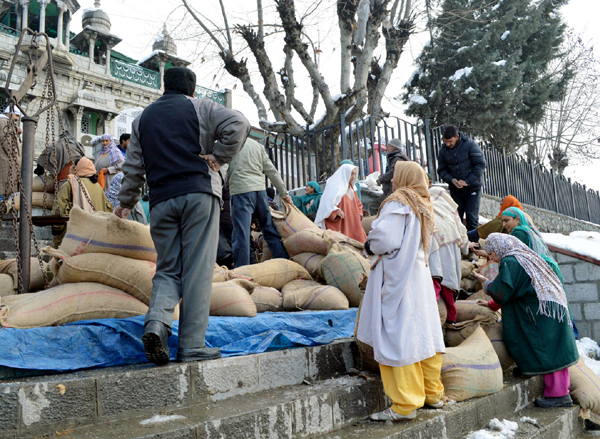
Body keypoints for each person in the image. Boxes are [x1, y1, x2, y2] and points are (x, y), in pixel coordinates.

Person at [116, 66, 250, 365]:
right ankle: (191, 345)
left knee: (167, 268)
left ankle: (156, 324)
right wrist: (218, 156)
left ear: (164, 86)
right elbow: (238, 123)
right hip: (198, 194)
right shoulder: (201, 106)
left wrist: (126, 202)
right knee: (197, 270)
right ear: (192, 89)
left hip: (162, 201)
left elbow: (133, 168)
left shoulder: (142, 120)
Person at [357, 161, 445, 421]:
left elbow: (385, 239)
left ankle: (405, 405)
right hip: (417, 275)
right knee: (424, 334)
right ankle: (432, 394)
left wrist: (370, 243)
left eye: (396, 176)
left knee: (398, 337)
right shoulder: (423, 203)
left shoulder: (399, 202)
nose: (393, 181)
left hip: (398, 276)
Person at [473, 233, 578, 408]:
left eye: (491, 252)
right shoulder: (524, 256)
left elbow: (503, 291)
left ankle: (558, 395)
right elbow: (515, 287)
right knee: (554, 349)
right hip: (548, 311)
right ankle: (549, 384)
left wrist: (486, 284)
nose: (490, 257)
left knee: (549, 352)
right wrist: (492, 304)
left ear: (500, 248)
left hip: (538, 314)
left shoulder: (511, 261)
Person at [226, 137, 292, 268]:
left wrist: (223, 185)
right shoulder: (256, 145)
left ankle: (242, 271)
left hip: (241, 191)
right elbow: (271, 170)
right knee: (268, 228)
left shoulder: (228, 142)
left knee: (241, 234)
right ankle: (285, 263)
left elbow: (222, 168)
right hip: (260, 192)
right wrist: (284, 193)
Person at [428, 186, 469, 323]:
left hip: (432, 253)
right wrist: (467, 249)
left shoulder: (425, 208)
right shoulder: (451, 212)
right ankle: (451, 322)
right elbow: (463, 237)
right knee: (449, 293)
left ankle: (431, 322)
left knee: (434, 286)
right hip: (449, 257)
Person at [52, 157, 113, 247]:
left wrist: (56, 230)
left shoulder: (70, 184)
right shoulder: (98, 187)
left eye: (73, 166)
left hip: (73, 236)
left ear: (78, 168)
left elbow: (59, 210)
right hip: (96, 236)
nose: (70, 168)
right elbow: (108, 211)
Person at [437, 125, 486, 231]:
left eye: (450, 141)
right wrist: (451, 180)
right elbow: (441, 170)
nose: (447, 144)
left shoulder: (470, 145)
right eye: (445, 141)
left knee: (472, 218)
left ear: (457, 136)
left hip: (472, 188)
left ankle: (473, 245)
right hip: (455, 189)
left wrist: (467, 181)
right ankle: (459, 245)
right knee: (456, 218)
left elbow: (480, 164)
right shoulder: (443, 150)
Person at [315, 163, 367, 243]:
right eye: (351, 174)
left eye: (354, 174)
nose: (353, 176)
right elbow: (326, 205)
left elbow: (358, 204)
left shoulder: (352, 189)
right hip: (341, 223)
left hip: (353, 222)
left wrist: (359, 213)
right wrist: (336, 211)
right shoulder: (335, 187)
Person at [369, 138, 410, 215]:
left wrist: (381, 179)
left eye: (388, 146)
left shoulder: (397, 158)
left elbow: (394, 172)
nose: (386, 149)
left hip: (393, 191)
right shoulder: (396, 158)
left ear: (393, 147)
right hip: (392, 190)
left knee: (374, 207)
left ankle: (380, 225)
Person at [0, 105, 22, 200]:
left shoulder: (7, 123)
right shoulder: (4, 122)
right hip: (6, 164)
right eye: (16, 116)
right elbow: (7, 143)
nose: (17, 119)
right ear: (9, 113)